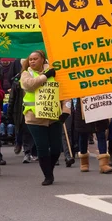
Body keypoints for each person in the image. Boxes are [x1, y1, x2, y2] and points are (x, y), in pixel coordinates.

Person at [20, 50, 69, 185]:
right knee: (42, 147)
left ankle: (49, 169)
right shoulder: (26, 73)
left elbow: (65, 92)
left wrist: (66, 110)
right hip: (34, 118)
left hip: (53, 116)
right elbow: (28, 86)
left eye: (35, 59)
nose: (32, 61)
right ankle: (48, 176)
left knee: (55, 147)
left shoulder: (55, 72)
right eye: (30, 59)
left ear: (43, 59)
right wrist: (45, 77)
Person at [73, 97, 112, 174]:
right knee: (83, 136)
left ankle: (104, 164)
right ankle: (84, 162)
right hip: (84, 107)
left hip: (99, 105)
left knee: (101, 133)